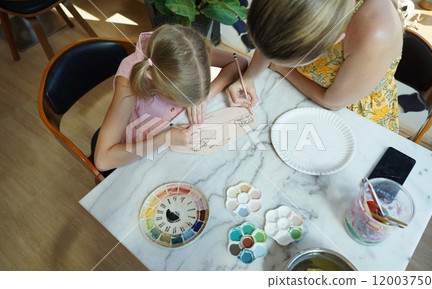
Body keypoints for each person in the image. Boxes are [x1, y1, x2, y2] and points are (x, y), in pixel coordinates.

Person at [227, 0, 404, 133]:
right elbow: (273, 36)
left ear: (335, 41)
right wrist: (249, 77)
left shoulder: (376, 33)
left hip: (350, 112)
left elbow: (333, 102)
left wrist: (282, 68)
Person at [94, 24, 248, 172]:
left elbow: (238, 61)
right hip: (141, 148)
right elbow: (103, 160)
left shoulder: (187, 51)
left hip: (175, 132)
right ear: (152, 78)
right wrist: (164, 139)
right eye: (180, 99)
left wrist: (204, 97)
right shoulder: (128, 85)